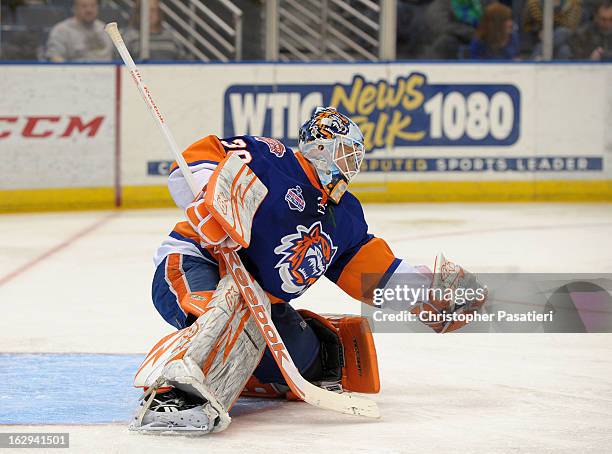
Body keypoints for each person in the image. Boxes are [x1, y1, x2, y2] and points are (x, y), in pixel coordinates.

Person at [130, 107, 487, 433]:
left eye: (356, 157)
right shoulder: (273, 157)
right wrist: (210, 196)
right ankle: (172, 394)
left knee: (309, 363)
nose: (351, 165)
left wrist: (426, 293)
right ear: (319, 146)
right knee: (218, 316)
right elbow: (199, 155)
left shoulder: (344, 214)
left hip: (257, 303)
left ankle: (250, 372)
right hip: (197, 262)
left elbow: (371, 270)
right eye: (345, 153)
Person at [45, 0, 113, 62]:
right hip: (74, 73)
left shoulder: (106, 28)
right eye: (84, 6)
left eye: (93, 6)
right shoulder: (61, 30)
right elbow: (54, 57)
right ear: (75, 8)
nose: (89, 10)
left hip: (109, 73)